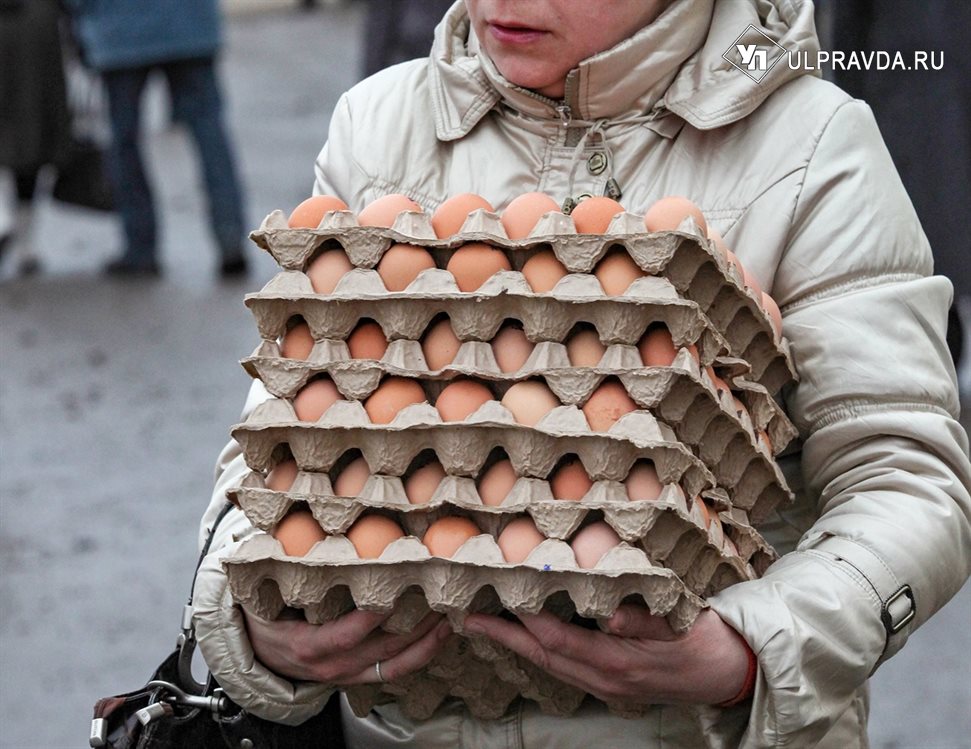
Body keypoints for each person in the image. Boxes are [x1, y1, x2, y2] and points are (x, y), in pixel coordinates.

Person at [192, 0, 971, 746]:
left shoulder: (809, 146)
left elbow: (905, 479)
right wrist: (250, 619)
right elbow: (282, 445)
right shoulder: (379, 124)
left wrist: (748, 652)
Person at [66, 0, 248, 278]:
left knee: (124, 141)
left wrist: (80, 17)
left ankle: (140, 248)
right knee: (209, 132)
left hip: (120, 30)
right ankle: (230, 239)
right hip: (191, 25)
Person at [0, 0, 72, 276]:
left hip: (31, 30)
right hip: (38, 31)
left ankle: (6, 224)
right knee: (32, 139)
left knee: (22, 136)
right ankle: (26, 244)